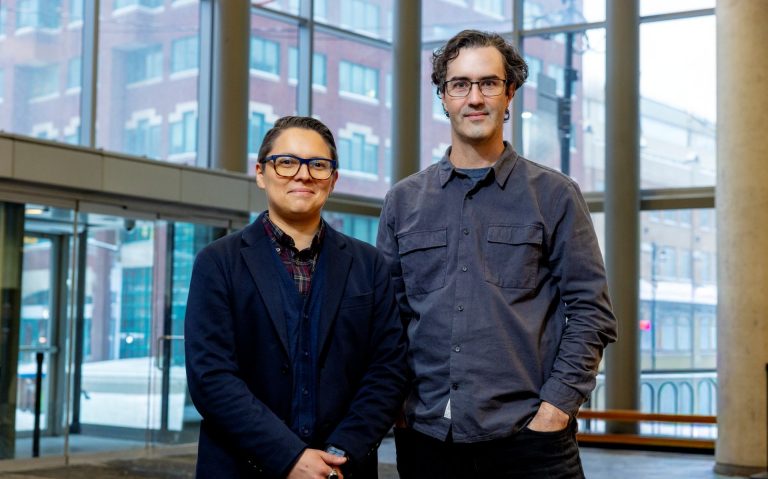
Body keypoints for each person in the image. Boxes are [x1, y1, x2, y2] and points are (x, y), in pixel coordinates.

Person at [376, 30, 617, 478]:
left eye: (488, 83)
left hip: (530, 441)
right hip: (428, 438)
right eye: (459, 84)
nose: (474, 97)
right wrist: (400, 407)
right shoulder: (403, 201)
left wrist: (556, 410)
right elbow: (389, 317)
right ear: (443, 98)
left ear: (510, 95)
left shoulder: (555, 195)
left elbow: (591, 313)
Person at [185, 116, 408, 479]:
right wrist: (290, 458)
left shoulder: (369, 265)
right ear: (261, 172)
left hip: (342, 471)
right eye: (286, 162)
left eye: (318, 165)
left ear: (333, 179)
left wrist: (338, 454)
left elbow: (388, 370)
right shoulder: (217, 263)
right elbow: (211, 378)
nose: (303, 175)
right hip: (240, 467)